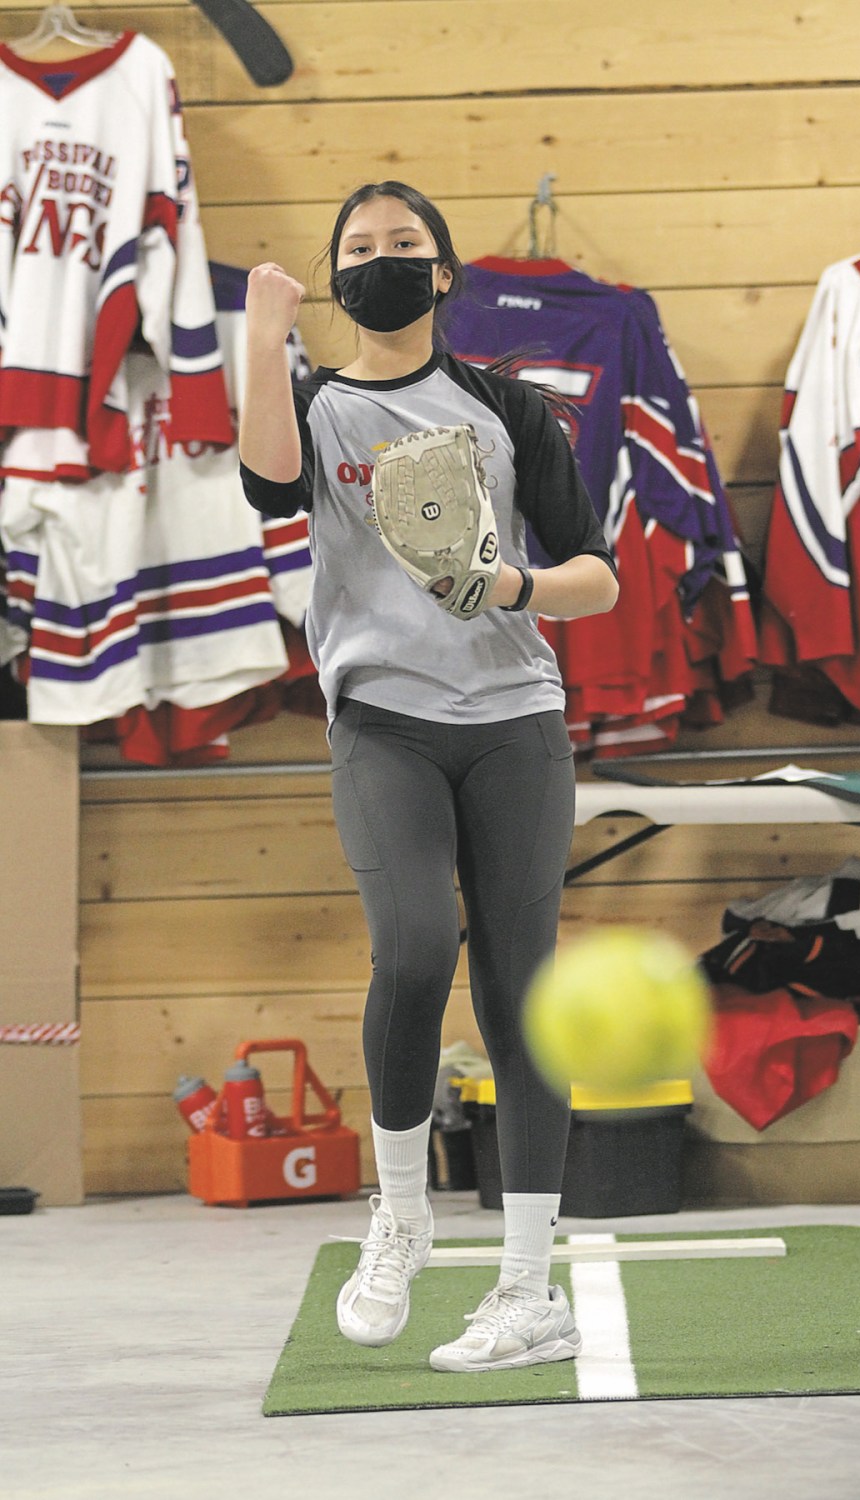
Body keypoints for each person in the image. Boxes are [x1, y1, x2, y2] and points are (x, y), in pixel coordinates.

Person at [239, 180, 619, 1373]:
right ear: (334, 277)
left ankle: (527, 1291)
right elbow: (265, 483)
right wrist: (262, 337)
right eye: (359, 246)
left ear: (444, 273)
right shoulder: (318, 405)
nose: (382, 260)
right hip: (383, 724)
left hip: (514, 724)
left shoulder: (507, 406)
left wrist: (514, 587)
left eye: (405, 244)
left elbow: (598, 575)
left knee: (518, 995)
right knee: (410, 950)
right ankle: (400, 1219)